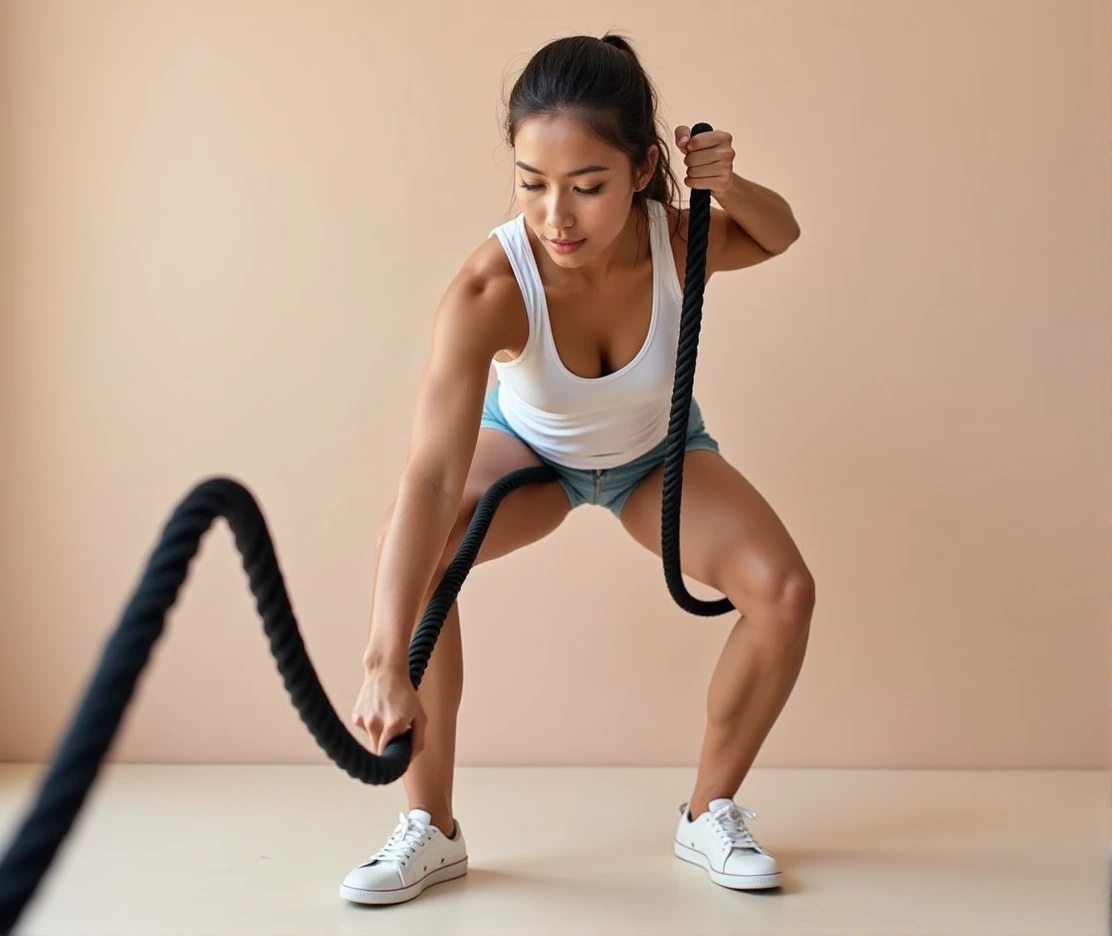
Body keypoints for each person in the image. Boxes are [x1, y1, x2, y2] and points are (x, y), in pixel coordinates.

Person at [340, 32, 813, 906]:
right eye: (532, 183)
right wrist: (381, 662)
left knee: (784, 591)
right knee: (414, 551)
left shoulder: (679, 237)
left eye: (587, 187)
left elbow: (778, 234)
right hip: (531, 457)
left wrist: (725, 183)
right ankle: (429, 829)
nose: (556, 217)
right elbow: (431, 480)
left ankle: (708, 812)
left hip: (654, 461)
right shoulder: (492, 284)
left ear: (639, 171)